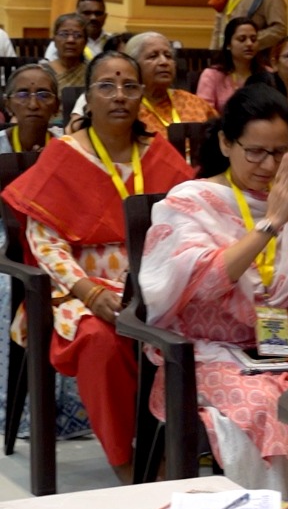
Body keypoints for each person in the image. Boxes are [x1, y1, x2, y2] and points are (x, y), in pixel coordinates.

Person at [140, 87, 288, 498]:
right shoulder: (190, 202)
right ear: (225, 143)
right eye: (254, 152)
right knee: (268, 411)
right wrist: (269, 224)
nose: (268, 166)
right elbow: (201, 281)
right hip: (211, 351)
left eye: (280, 152)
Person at [1, 52, 194, 482]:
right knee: (100, 342)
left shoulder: (161, 154)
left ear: (142, 95)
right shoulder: (63, 155)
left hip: (153, 284)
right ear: (87, 97)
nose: (119, 95)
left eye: (130, 85)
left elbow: (188, 227)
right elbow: (43, 243)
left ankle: (183, 449)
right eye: (107, 85)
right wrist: (89, 291)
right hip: (76, 291)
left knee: (202, 333)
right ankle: (125, 461)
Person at [0, 66, 89, 440]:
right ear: (7, 104)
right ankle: (12, 406)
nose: (33, 103)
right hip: (5, 247)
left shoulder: (67, 148)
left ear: (56, 103)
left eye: (43, 95)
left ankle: (74, 411)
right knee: (6, 291)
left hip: (56, 244)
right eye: (23, 94)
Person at [126, 32, 217, 135]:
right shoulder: (127, 108)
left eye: (168, 56)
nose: (164, 62)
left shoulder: (193, 102)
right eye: (153, 56)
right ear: (132, 65)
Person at [198, 18, 263, 114]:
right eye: (242, 39)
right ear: (228, 44)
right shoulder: (212, 75)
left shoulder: (267, 74)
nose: (249, 44)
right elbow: (203, 113)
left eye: (253, 39)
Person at [43, 0, 109, 61]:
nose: (93, 18)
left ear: (105, 16)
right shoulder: (60, 43)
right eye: (87, 13)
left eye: (98, 13)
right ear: (76, 15)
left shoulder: (113, 41)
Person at [40, 14, 90, 91]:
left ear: (86, 41)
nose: (70, 40)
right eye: (64, 34)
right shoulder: (42, 72)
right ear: (54, 40)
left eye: (77, 35)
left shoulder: (92, 72)